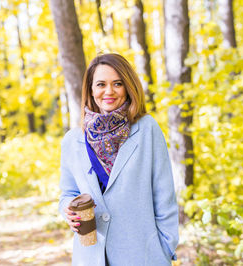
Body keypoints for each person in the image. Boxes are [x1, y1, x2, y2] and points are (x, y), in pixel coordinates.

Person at [59, 53, 179, 266]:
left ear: (128, 87)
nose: (109, 91)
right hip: (92, 256)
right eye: (101, 84)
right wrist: (68, 209)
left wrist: (165, 247)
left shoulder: (147, 130)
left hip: (143, 255)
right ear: (91, 90)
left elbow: (164, 195)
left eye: (117, 83)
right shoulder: (72, 140)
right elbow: (68, 193)